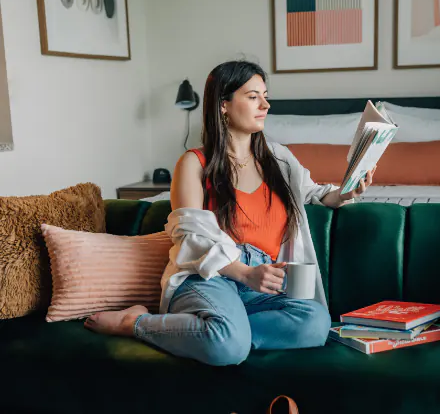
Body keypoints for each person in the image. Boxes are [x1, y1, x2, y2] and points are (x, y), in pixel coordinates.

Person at [84, 60, 375, 366]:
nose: (265, 104)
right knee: (228, 349)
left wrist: (347, 191)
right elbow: (190, 236)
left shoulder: (280, 159)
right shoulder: (194, 163)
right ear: (223, 104)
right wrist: (244, 272)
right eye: (253, 97)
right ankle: (136, 324)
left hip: (265, 279)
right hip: (211, 275)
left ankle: (220, 331)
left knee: (316, 323)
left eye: (264, 95)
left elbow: (315, 192)